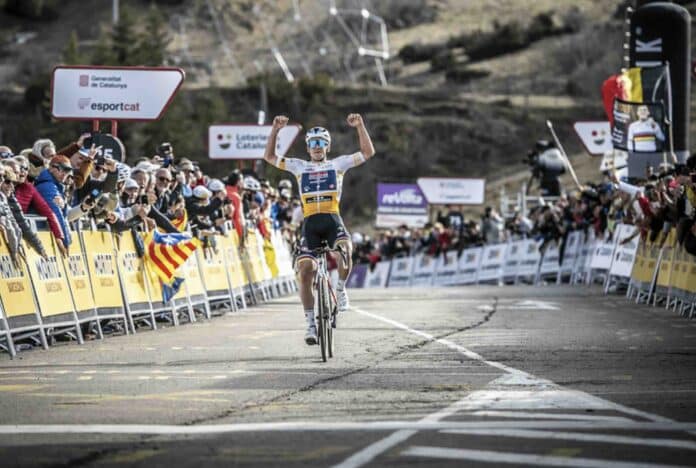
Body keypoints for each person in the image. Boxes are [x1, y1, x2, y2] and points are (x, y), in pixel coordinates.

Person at [263, 113, 375, 345]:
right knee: (305, 271)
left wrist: (360, 126)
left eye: (320, 143)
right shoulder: (298, 166)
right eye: (312, 143)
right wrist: (275, 130)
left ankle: (341, 289)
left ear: (327, 146)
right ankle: (310, 325)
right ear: (307, 147)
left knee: (345, 249)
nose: (316, 147)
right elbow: (269, 156)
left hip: (332, 220)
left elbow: (367, 153)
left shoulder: (338, 164)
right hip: (311, 225)